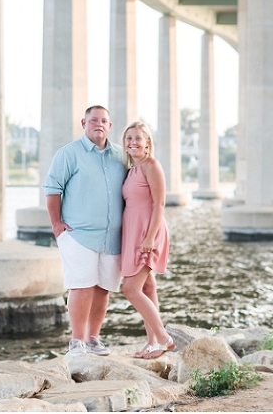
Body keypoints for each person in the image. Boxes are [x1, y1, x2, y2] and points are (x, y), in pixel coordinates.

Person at [44, 105, 127, 356]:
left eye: (103, 121)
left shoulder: (121, 156)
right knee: (81, 286)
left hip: (112, 237)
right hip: (79, 234)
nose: (98, 124)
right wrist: (57, 225)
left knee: (103, 288)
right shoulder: (69, 154)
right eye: (93, 120)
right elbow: (52, 189)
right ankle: (77, 342)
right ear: (84, 123)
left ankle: (92, 339)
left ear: (110, 126)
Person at [120, 121, 175, 359]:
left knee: (130, 288)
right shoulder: (132, 168)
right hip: (134, 233)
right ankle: (152, 342)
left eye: (138, 138)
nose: (132, 142)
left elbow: (159, 203)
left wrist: (149, 238)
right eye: (128, 138)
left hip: (148, 233)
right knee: (147, 286)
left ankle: (164, 339)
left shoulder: (151, 165)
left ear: (147, 142)